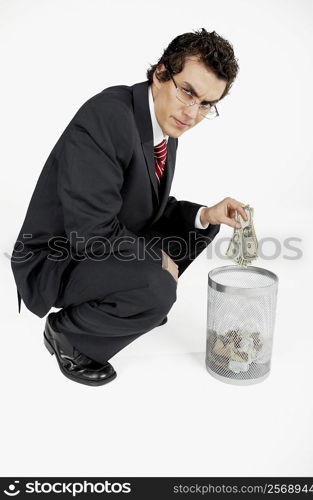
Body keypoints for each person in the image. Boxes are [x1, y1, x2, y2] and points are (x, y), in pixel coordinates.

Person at [11, 28, 248, 386]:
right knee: (158, 288)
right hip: (57, 256)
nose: (192, 112)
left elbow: (140, 205)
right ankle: (69, 336)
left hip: (96, 238)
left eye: (206, 104)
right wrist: (157, 262)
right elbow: (89, 231)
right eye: (188, 92)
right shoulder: (106, 118)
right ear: (162, 74)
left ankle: (131, 301)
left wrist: (205, 216)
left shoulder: (162, 120)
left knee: (191, 230)